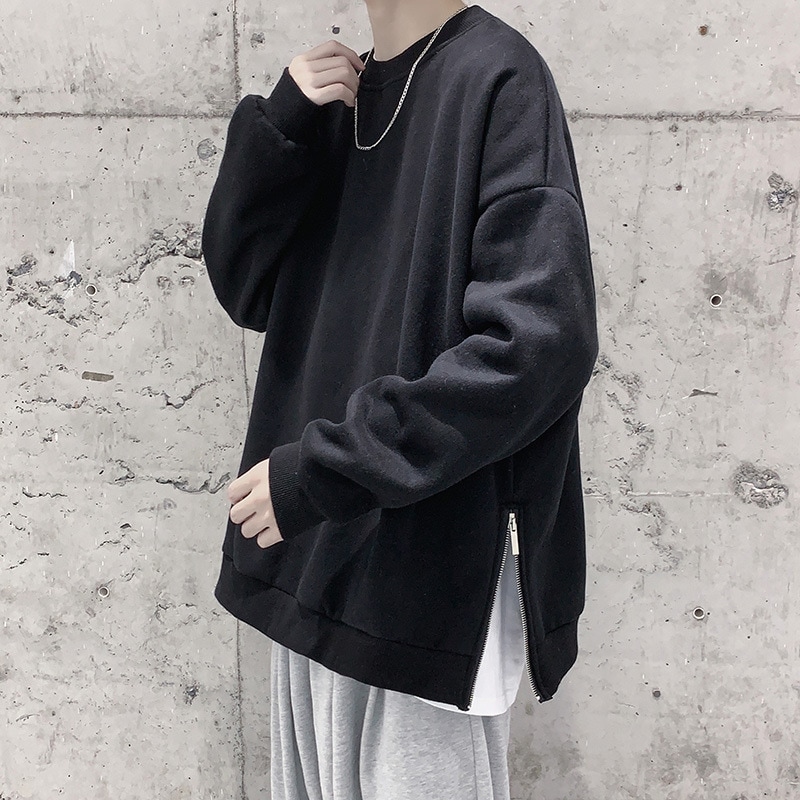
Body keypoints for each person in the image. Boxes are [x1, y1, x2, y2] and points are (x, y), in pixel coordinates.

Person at [201, 1, 599, 797]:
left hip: (423, 584)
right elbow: (247, 286)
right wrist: (283, 127)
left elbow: (538, 346)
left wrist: (323, 471)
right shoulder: (335, 101)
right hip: (317, 563)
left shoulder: (499, 77)